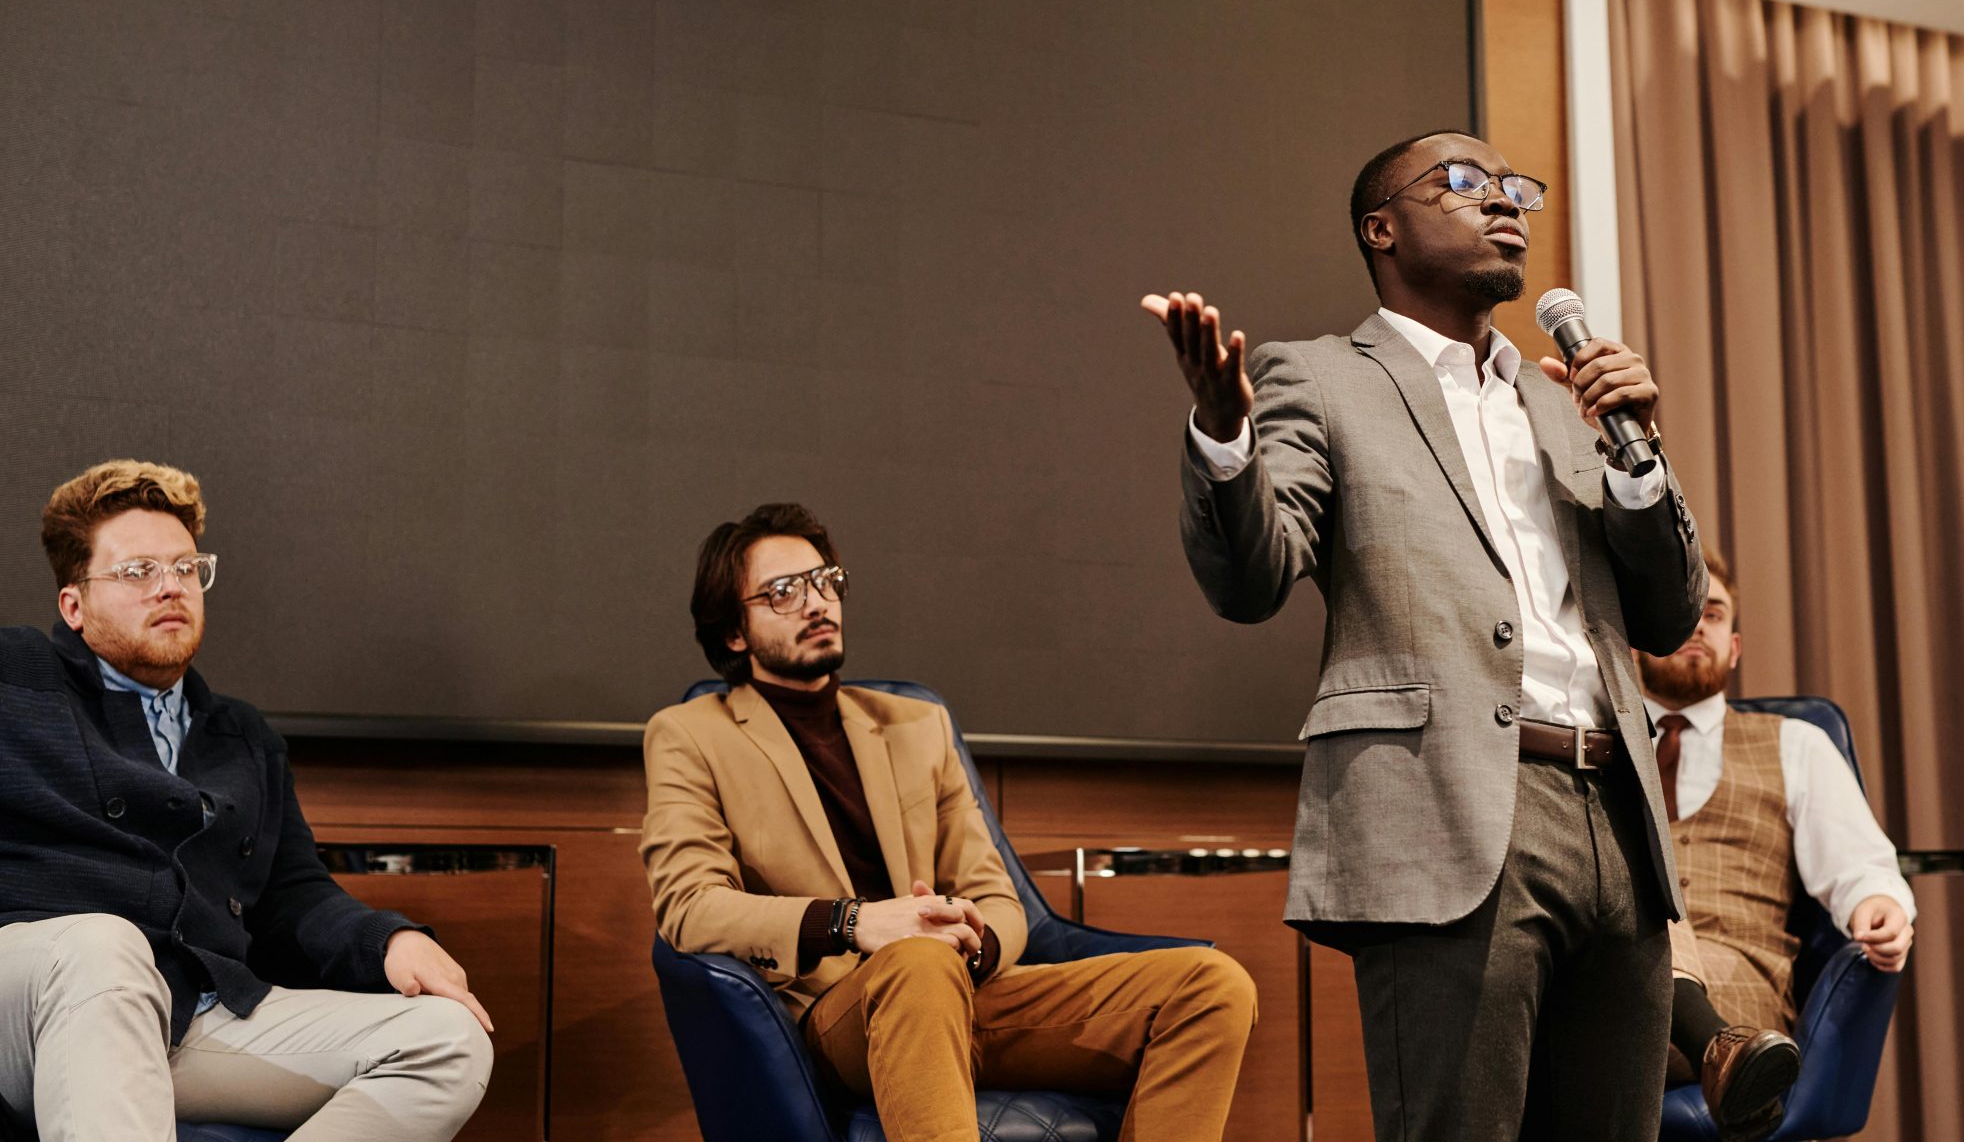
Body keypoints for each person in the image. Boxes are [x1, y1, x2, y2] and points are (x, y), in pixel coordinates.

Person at [1145, 130, 1707, 1141]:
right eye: (1464, 184)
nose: (1503, 204)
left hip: (1616, 811)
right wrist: (1223, 438)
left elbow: (1667, 618)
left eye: (1512, 190)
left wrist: (1639, 462)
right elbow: (1250, 579)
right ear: (1380, 227)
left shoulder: (1566, 398)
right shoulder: (1316, 377)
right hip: (1446, 810)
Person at [640, 503, 1257, 1142]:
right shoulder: (689, 734)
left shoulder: (916, 724)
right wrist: (857, 922)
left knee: (1211, 986)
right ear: (734, 631)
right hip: (840, 1015)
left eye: (827, 581)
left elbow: (998, 896)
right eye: (784, 592)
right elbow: (690, 909)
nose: (817, 602)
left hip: (964, 989)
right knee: (913, 963)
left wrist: (972, 941)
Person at [0, 460, 493, 1141]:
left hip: (189, 1012)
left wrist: (387, 940)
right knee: (102, 945)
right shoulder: (17, 677)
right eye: (138, 572)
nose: (169, 587)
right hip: (32, 997)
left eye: (184, 567)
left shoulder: (243, 737)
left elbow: (294, 896)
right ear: (74, 606)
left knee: (449, 1039)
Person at [1638, 551, 1915, 1140]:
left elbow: (1863, 869)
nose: (1695, 626)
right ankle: (1706, 1043)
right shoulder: (1594, 745)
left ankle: (1723, 1044)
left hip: (1743, 993)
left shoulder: (1798, 743)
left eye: (1712, 614)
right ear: (1637, 639)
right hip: (1610, 974)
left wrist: (1881, 906)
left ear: (1733, 648)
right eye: (1681, 613)